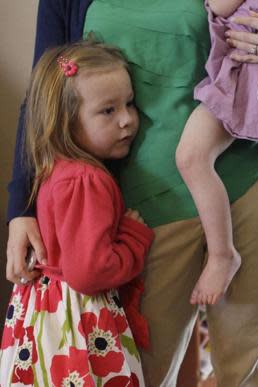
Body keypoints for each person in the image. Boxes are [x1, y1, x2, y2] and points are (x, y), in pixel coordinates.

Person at [5, 1, 258, 386]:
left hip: (250, 189)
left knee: (245, 375)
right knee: (136, 373)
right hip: (142, 217)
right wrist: (21, 207)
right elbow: (42, 98)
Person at [1, 40, 154, 386]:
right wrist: (133, 236)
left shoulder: (55, 167)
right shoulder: (86, 180)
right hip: (79, 318)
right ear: (66, 121)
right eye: (108, 111)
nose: (128, 120)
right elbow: (89, 271)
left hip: (46, 312)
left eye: (129, 103)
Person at [176, 0, 258, 306]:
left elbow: (219, 5)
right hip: (248, 73)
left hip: (244, 78)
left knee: (192, 157)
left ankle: (222, 255)